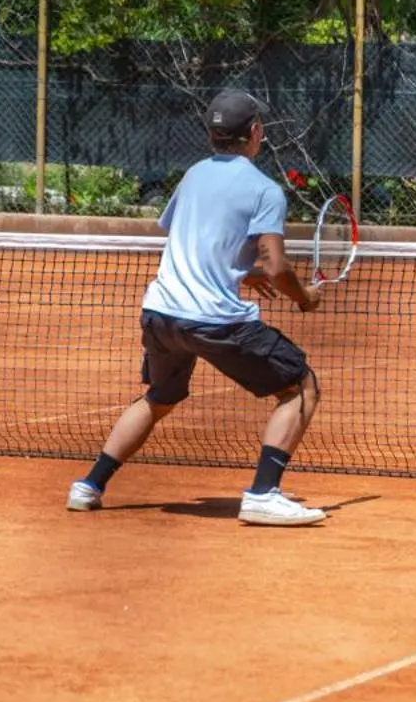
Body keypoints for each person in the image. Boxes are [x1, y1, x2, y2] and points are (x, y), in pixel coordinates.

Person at [66, 88, 327, 526]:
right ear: (256, 133)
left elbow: (196, 242)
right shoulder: (265, 190)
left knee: (159, 397)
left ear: (212, 134)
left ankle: (88, 485)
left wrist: (243, 273)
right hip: (215, 322)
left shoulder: (191, 175)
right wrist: (303, 297)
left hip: (162, 314)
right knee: (301, 388)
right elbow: (277, 264)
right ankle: (264, 493)